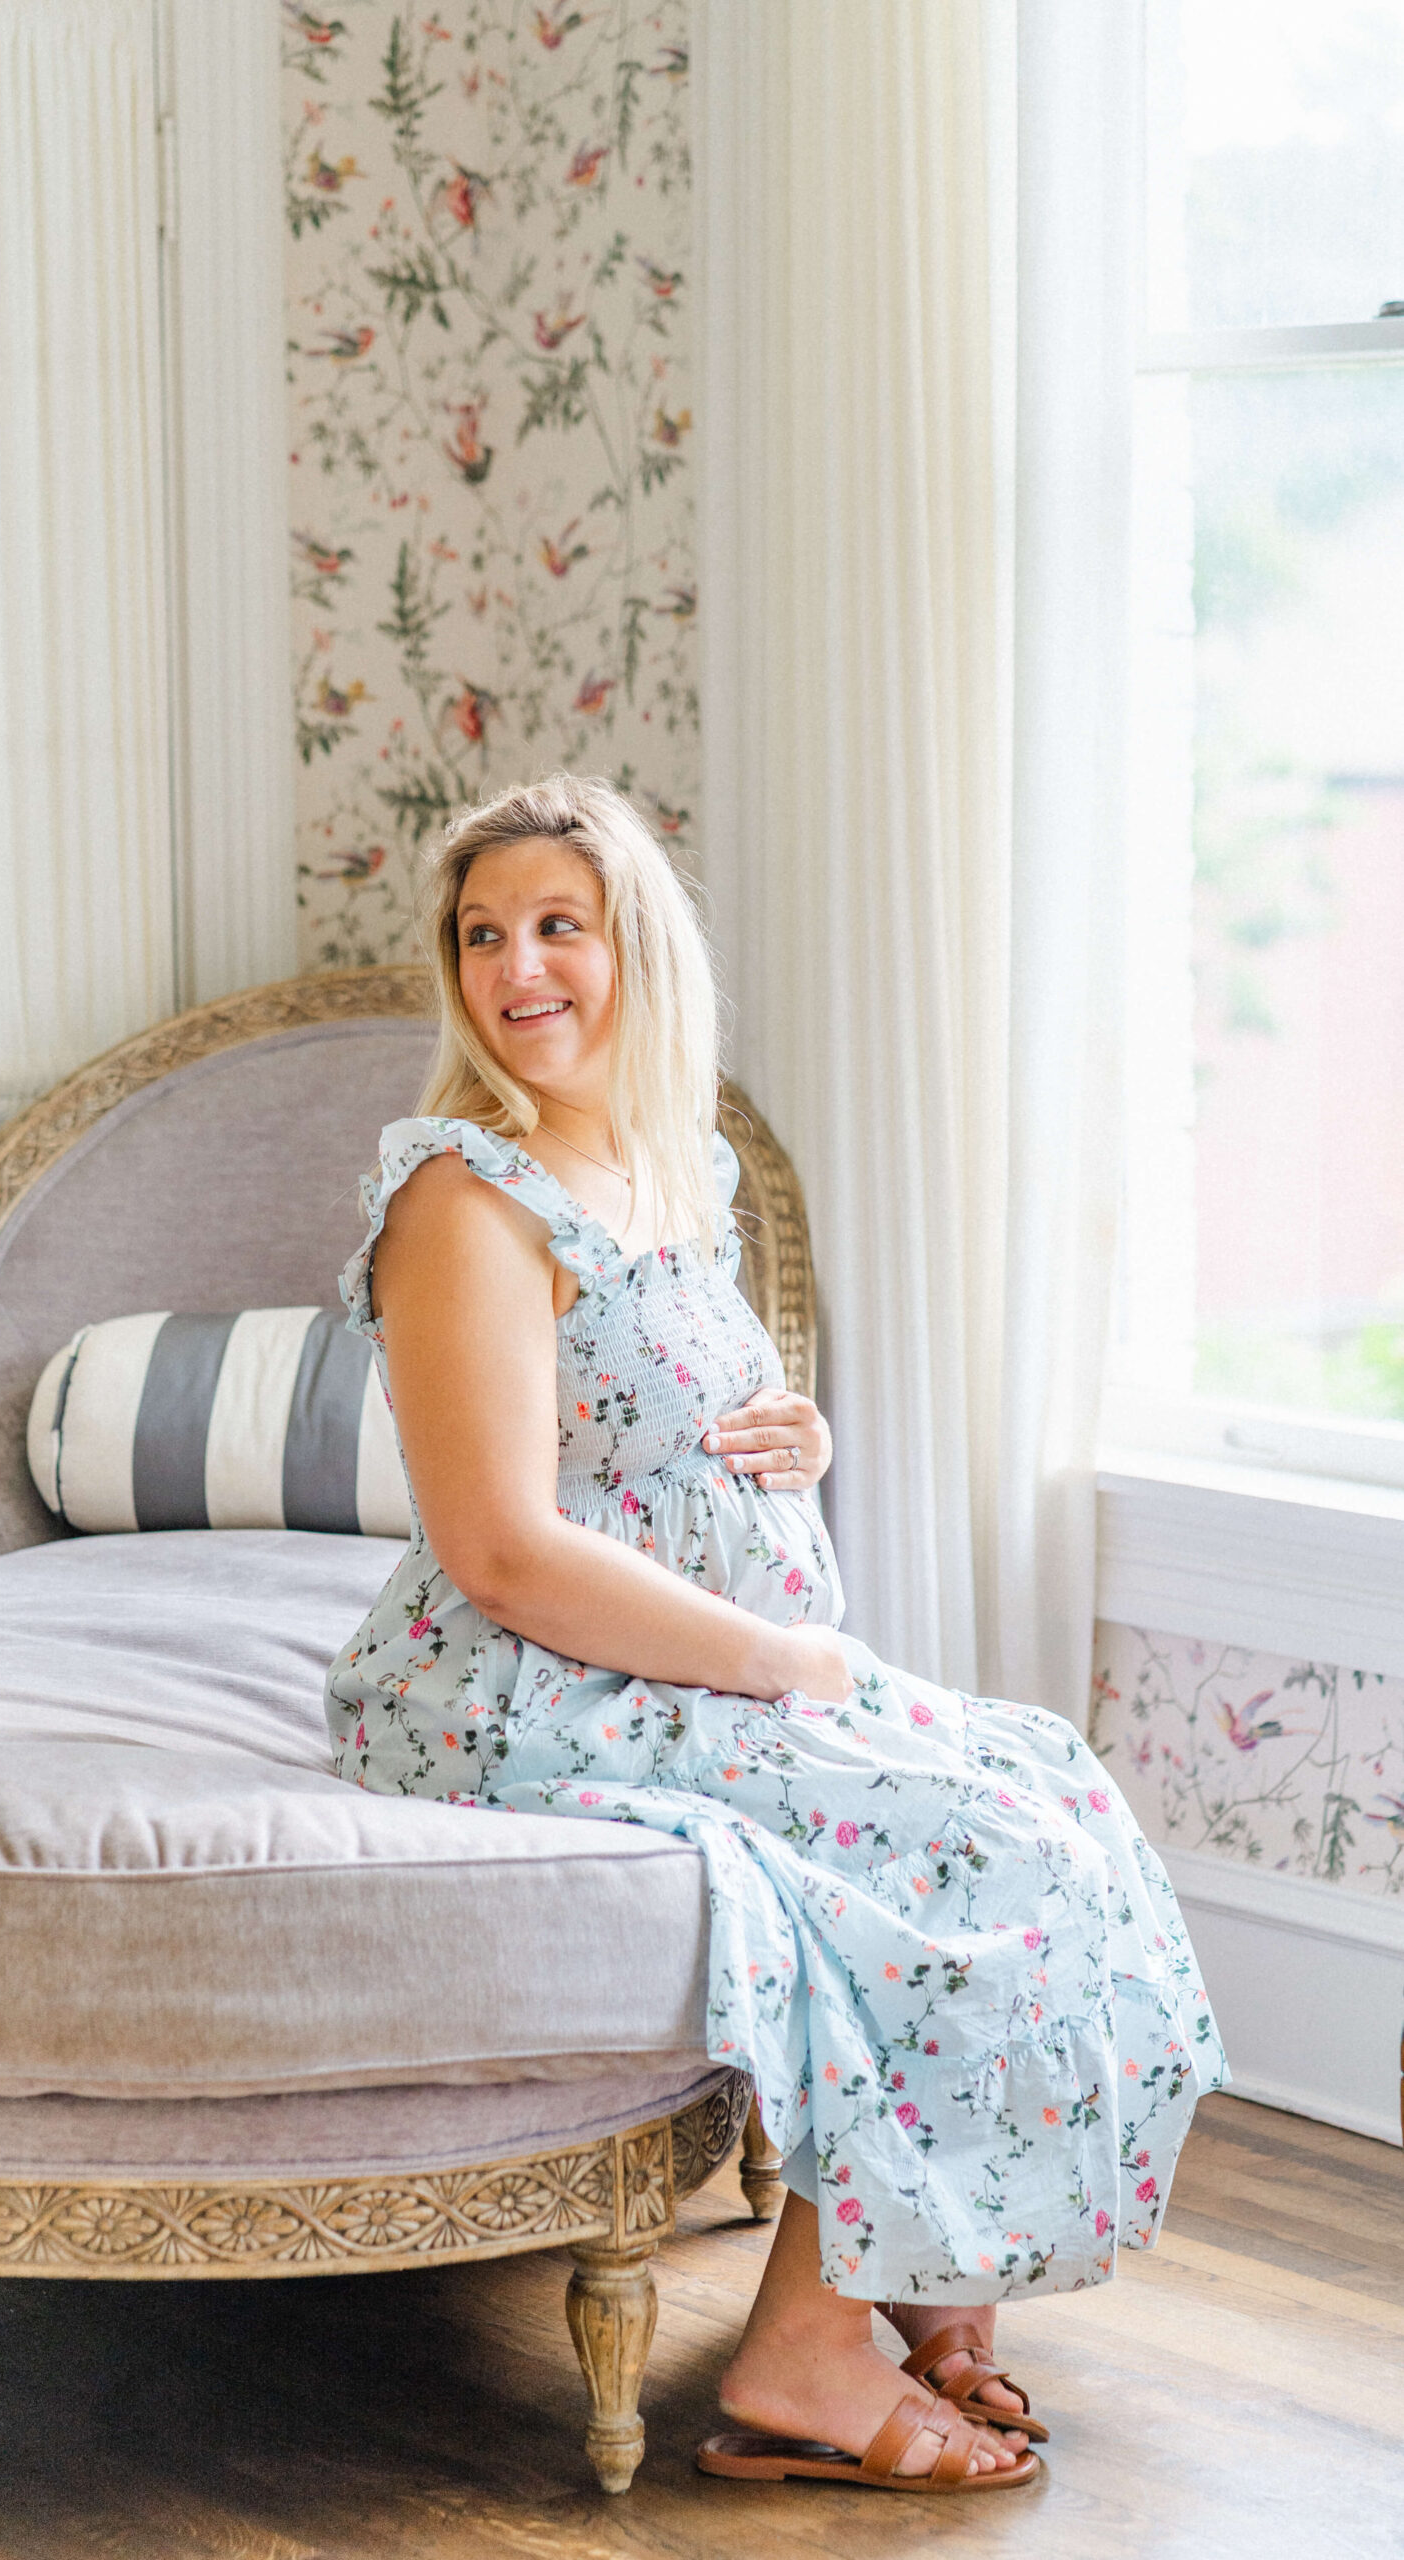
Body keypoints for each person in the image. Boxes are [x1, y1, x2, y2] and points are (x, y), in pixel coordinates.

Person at [326, 773, 1226, 2496]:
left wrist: (781, 1434)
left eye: (557, 925)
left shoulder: (674, 1161)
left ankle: (933, 2271)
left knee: (1044, 1780)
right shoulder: (464, 1196)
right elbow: (504, 1550)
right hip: (520, 1687)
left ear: (635, 945)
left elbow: (652, 1412)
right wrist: (785, 1659)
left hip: (694, 1647)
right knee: (963, 1845)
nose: (520, 966)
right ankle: (807, 2349)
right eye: (483, 934)